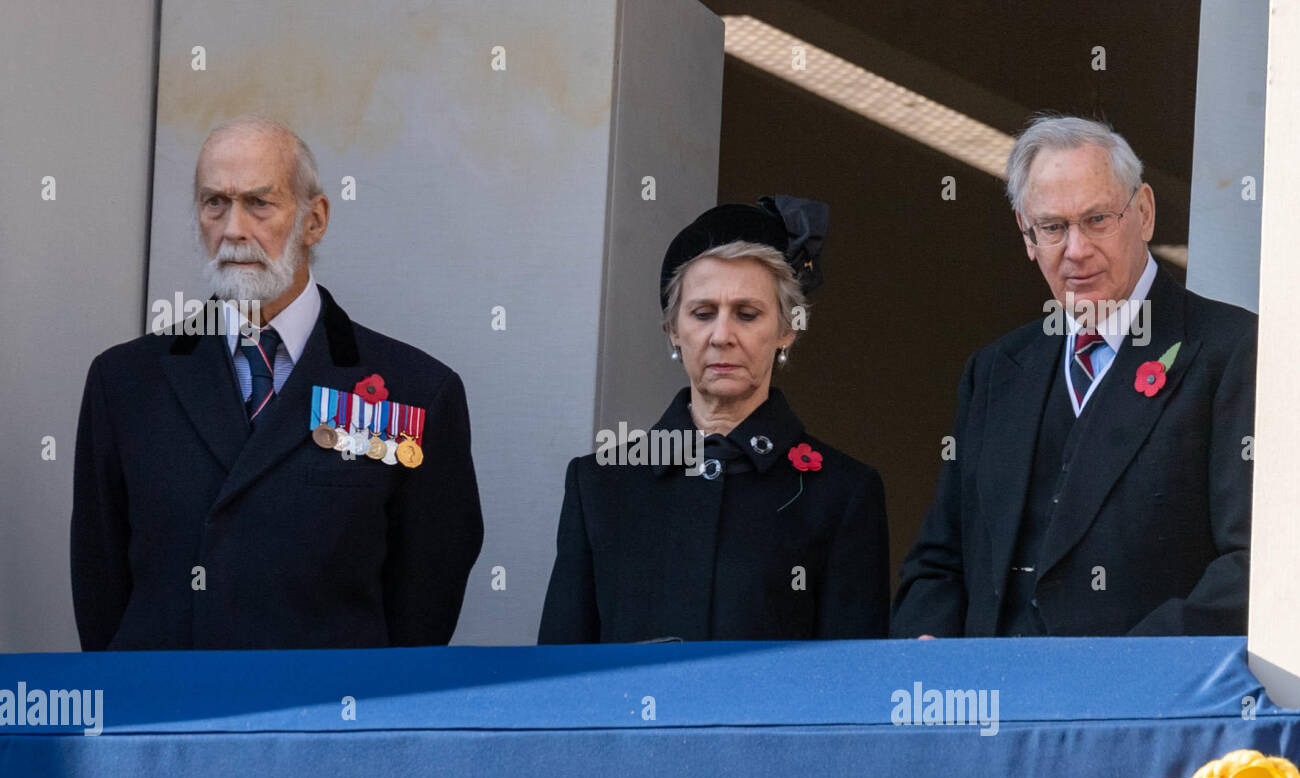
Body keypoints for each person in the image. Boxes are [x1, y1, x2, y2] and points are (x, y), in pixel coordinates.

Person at [71, 116, 483, 649]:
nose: (233, 229)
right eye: (214, 202)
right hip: (169, 716)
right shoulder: (124, 383)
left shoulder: (417, 392)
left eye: (259, 203)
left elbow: (426, 594)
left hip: (327, 718)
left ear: (315, 220)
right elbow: (100, 581)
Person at [892, 115, 1256, 638]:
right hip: (991, 707)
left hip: (1139, 706)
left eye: (1098, 219)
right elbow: (942, 560)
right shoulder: (996, 370)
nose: (1076, 250)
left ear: (1145, 213)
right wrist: (928, 657)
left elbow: (1253, 565)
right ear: (1026, 234)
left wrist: (1121, 676)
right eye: (1054, 227)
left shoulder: (1232, 350)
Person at [539, 197, 889, 643]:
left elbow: (849, 683)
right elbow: (561, 673)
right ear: (673, 330)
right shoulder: (599, 485)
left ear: (787, 330)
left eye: (747, 314)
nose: (722, 336)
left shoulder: (842, 492)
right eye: (703, 314)